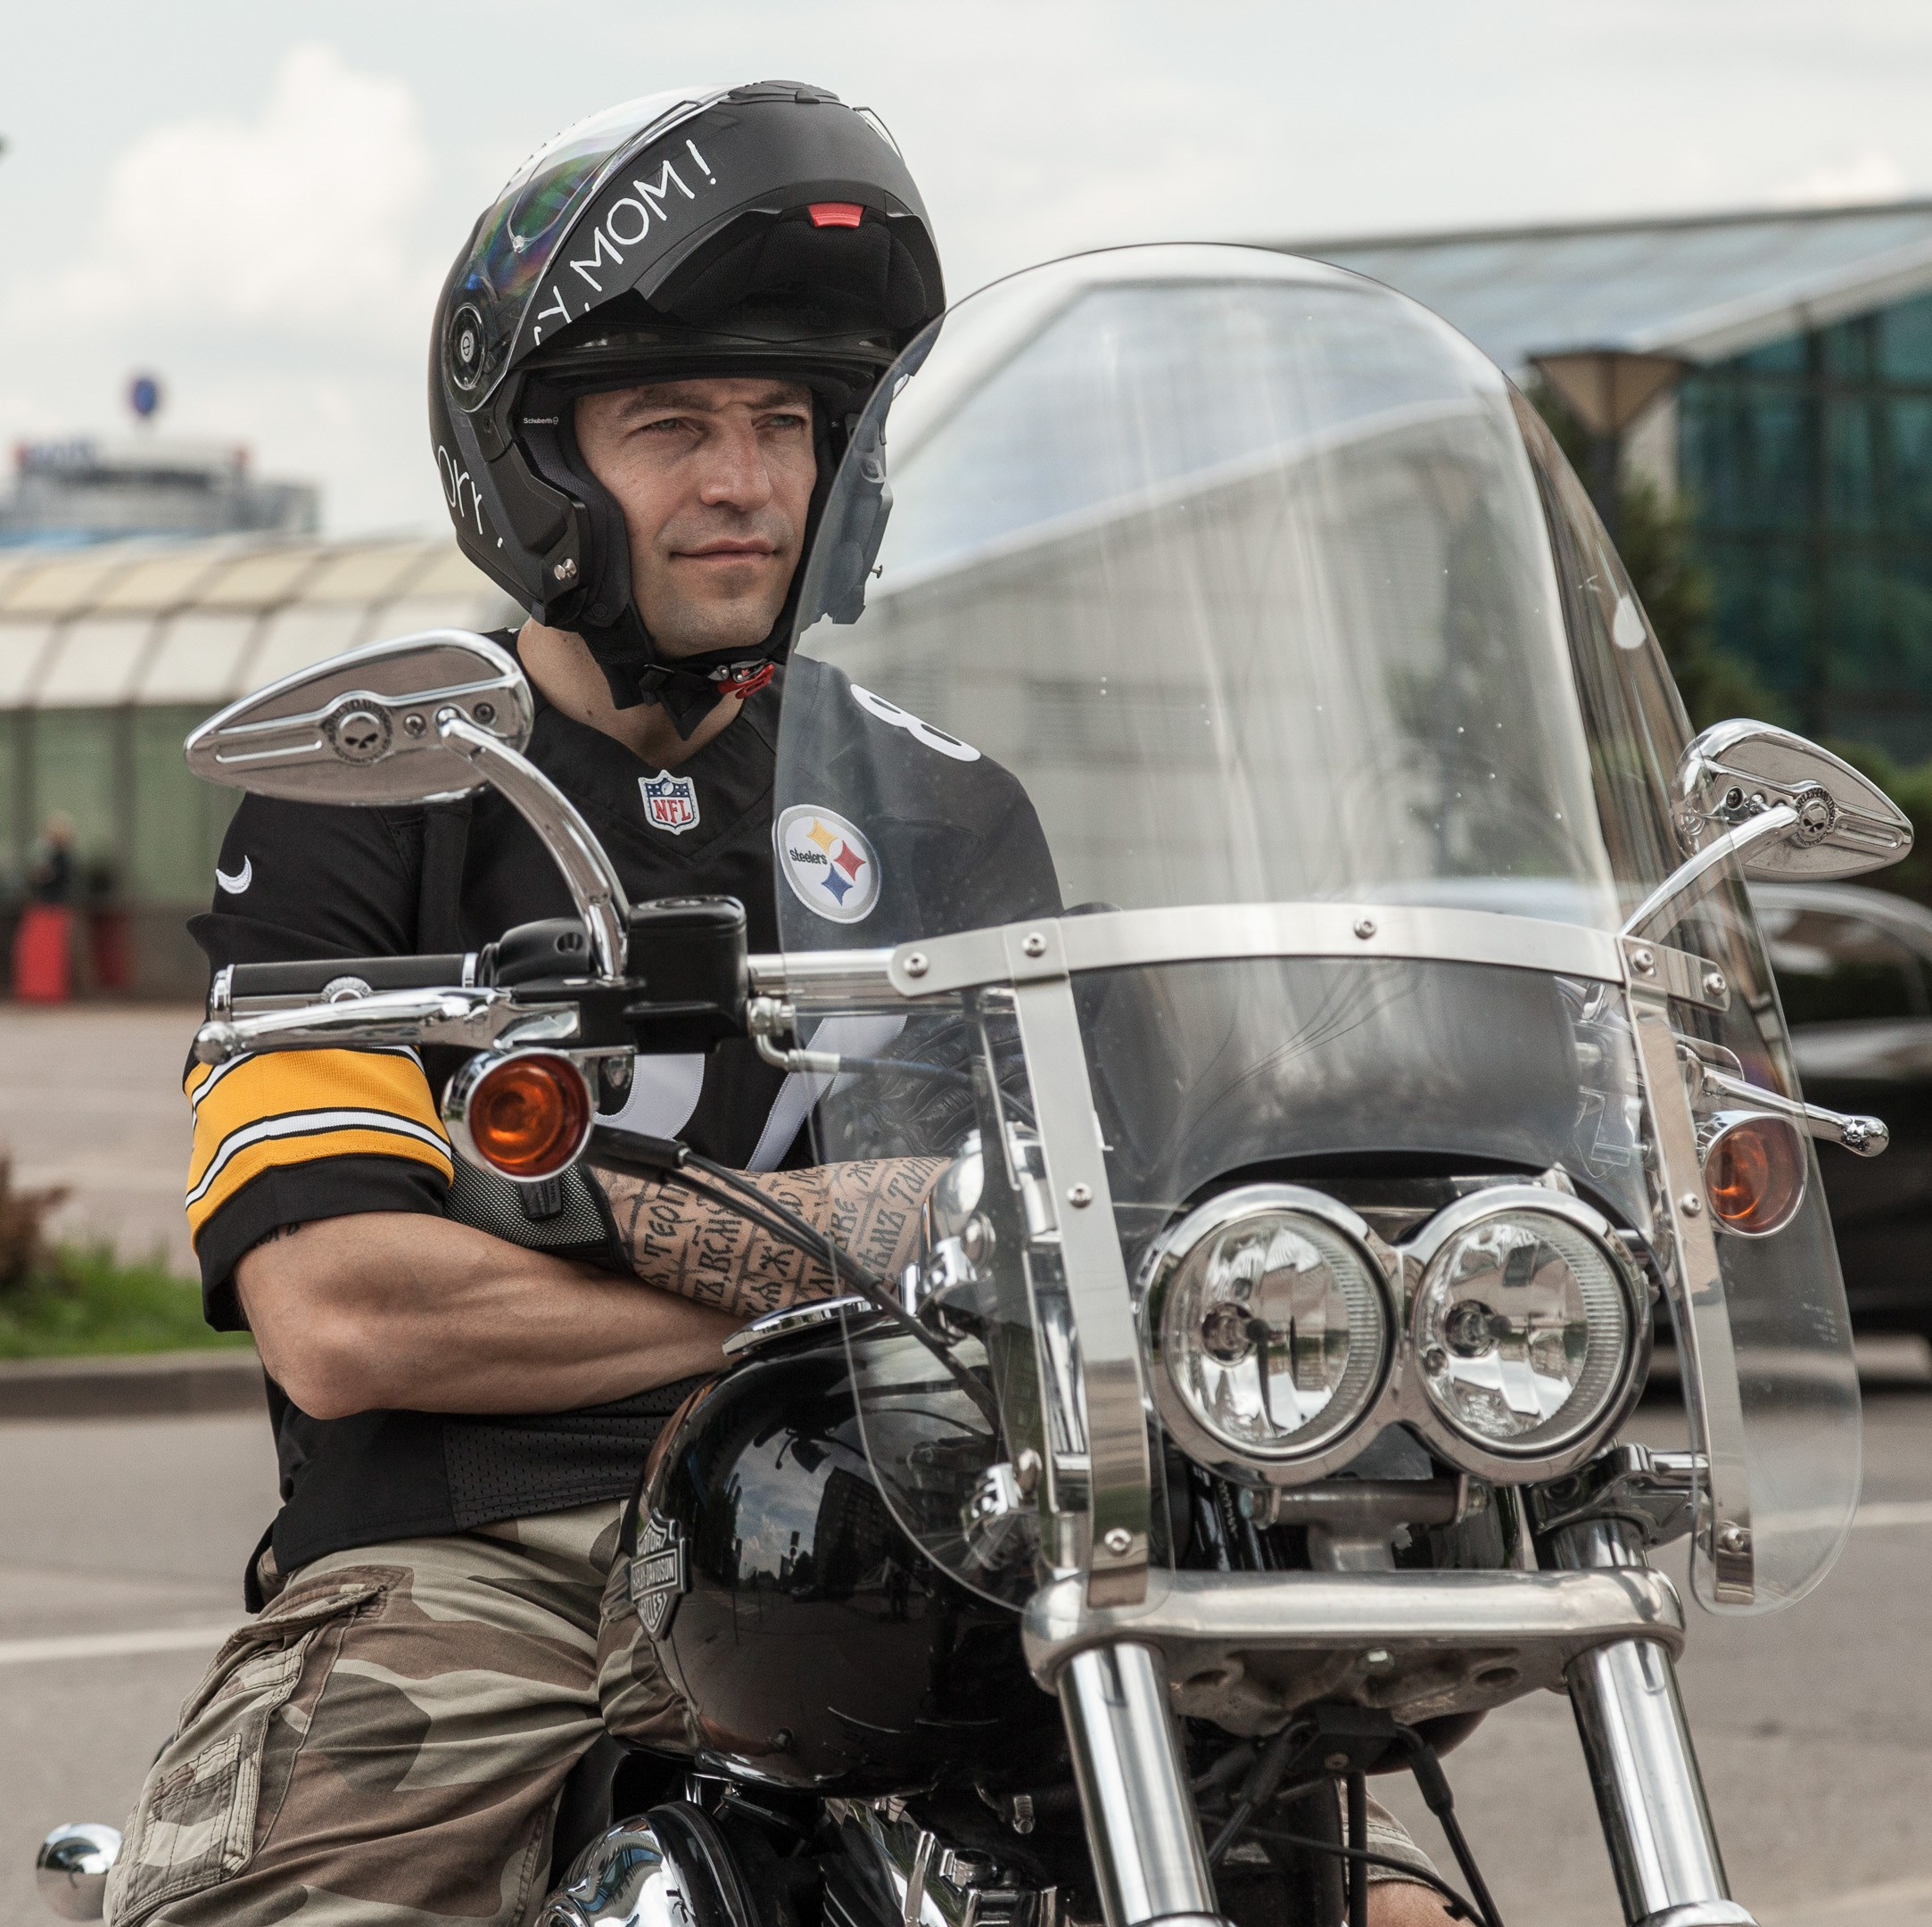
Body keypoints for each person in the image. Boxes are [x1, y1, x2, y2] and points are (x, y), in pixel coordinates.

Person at [107, 83, 1453, 1927]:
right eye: (673, 426)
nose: (742, 480)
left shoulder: (949, 813)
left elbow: (1085, 1238)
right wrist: (859, 1259)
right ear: (542, 465)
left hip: (900, 1531)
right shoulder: (385, 787)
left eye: (786, 425)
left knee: (1338, 1870)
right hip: (486, 1563)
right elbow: (345, 1316)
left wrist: (600, 1232)